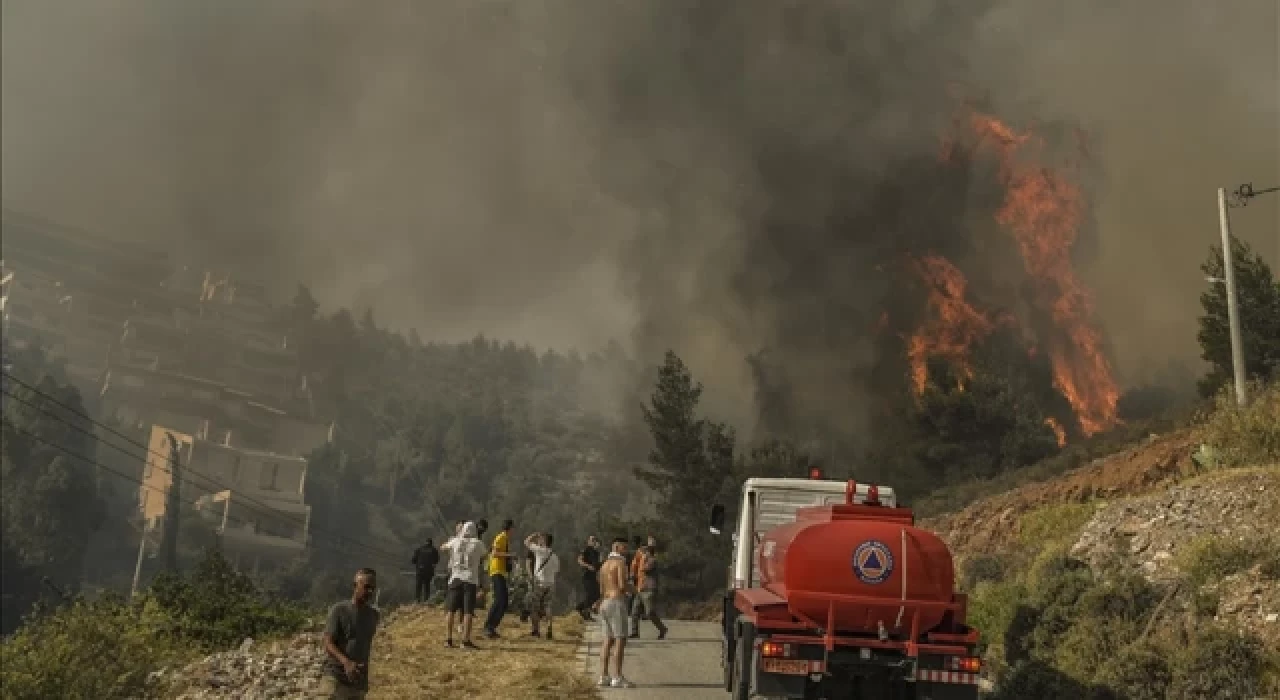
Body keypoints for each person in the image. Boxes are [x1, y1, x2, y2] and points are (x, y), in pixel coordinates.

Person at [320, 568, 381, 699]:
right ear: (355, 586)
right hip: (335, 677)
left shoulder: (374, 615)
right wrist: (346, 662)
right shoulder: (339, 610)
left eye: (373, 588)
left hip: (357, 682)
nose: (370, 591)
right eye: (366, 587)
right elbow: (327, 642)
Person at [441, 521, 488, 649]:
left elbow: (443, 547)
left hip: (455, 578)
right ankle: (465, 641)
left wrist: (451, 547)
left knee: (450, 610)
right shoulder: (478, 543)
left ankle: (448, 639)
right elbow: (485, 555)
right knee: (468, 611)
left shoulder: (456, 541)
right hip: (470, 580)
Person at [596, 537, 636, 689]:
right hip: (616, 602)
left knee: (607, 640)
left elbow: (601, 588)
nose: (626, 551)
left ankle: (603, 675)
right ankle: (617, 676)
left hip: (605, 601)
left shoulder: (604, 565)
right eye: (624, 547)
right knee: (620, 640)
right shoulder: (620, 563)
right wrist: (634, 590)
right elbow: (621, 584)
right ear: (617, 547)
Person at [629, 536, 668, 640]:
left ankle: (662, 629)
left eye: (647, 549)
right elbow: (634, 566)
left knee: (650, 612)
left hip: (649, 588)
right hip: (640, 587)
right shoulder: (642, 557)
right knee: (634, 612)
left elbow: (644, 569)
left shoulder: (652, 559)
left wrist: (642, 556)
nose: (644, 551)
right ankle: (635, 632)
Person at [482, 519, 516, 638]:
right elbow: (494, 553)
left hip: (501, 572)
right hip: (496, 571)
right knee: (499, 600)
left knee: (504, 601)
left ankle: (492, 626)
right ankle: (488, 626)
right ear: (510, 528)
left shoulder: (505, 539)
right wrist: (510, 555)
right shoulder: (500, 537)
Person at [524, 531, 560, 639]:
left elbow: (526, 542)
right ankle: (549, 625)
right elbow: (557, 570)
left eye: (541, 539)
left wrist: (534, 534)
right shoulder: (555, 556)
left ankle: (536, 630)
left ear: (544, 542)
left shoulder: (540, 551)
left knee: (534, 607)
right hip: (551, 583)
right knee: (548, 606)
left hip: (539, 583)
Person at [576, 535, 601, 621]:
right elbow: (579, 560)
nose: (594, 541)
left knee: (597, 594)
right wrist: (588, 566)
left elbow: (597, 565)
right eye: (592, 540)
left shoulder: (596, 553)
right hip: (586, 576)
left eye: (595, 540)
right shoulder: (586, 550)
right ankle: (584, 612)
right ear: (588, 541)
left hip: (594, 576)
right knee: (590, 594)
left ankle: (580, 609)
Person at [411, 538, 439, 604]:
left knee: (418, 585)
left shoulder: (419, 549)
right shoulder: (434, 550)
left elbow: (413, 560)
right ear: (431, 543)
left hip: (420, 570)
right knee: (427, 585)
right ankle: (426, 600)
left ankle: (417, 600)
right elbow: (436, 560)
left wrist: (418, 563)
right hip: (429, 571)